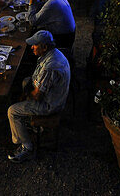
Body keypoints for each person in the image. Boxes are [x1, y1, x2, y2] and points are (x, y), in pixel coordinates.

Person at [6, 30, 71, 163]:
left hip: (50, 104)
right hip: (54, 95)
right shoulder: (53, 53)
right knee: (25, 81)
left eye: (35, 45)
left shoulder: (50, 67)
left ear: (45, 47)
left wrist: (25, 95)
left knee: (12, 111)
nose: (32, 47)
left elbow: (37, 96)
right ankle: (28, 124)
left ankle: (26, 147)